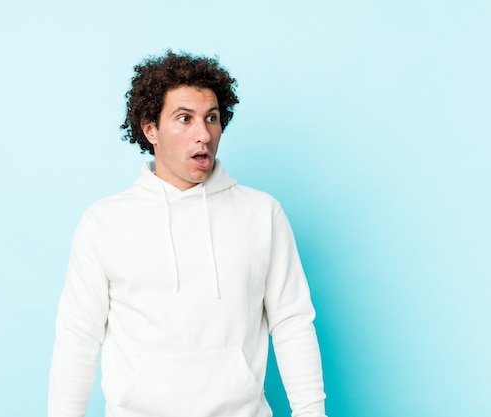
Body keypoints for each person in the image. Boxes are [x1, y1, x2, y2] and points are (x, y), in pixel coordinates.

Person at [48, 50, 327, 417]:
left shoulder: (262, 214)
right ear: (151, 130)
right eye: (185, 118)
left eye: (211, 118)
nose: (204, 134)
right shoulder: (105, 222)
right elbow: (78, 339)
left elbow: (293, 324)